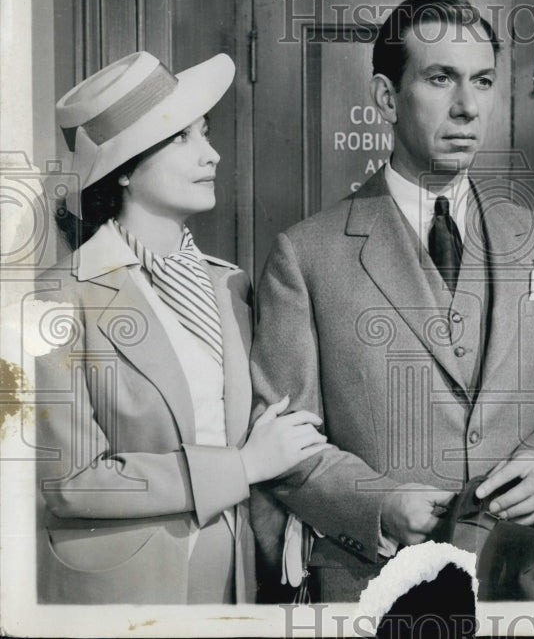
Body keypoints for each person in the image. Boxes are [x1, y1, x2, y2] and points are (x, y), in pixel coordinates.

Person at [250, 0, 534, 601]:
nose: (468, 106)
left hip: (514, 582)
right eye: (441, 78)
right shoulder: (305, 256)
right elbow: (285, 443)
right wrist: (379, 503)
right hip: (374, 589)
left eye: (483, 81)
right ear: (387, 97)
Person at [33, 51, 327, 604]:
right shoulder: (56, 297)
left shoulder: (232, 286)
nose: (212, 154)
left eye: (207, 133)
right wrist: (241, 466)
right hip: (123, 592)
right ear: (123, 168)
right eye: (183, 138)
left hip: (234, 582)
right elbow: (67, 483)